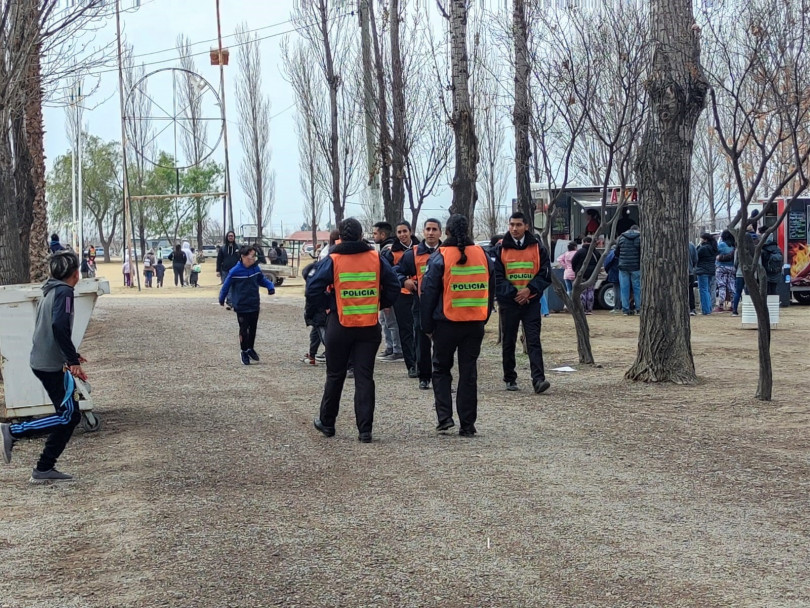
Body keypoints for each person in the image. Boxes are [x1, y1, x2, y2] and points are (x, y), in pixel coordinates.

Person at [306, 217, 400, 443]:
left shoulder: (333, 259)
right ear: (361, 236)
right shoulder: (375, 258)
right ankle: (365, 430)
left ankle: (327, 423)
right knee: (364, 377)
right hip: (368, 326)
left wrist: (325, 307)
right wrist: (380, 303)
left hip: (339, 323)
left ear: (341, 237)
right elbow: (394, 285)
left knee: (335, 375)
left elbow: (313, 287)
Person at [1, 251, 87, 483]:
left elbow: (52, 330)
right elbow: (59, 327)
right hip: (51, 365)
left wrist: (72, 355)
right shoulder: (65, 292)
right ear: (76, 273)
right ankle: (13, 432)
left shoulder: (50, 290)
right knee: (68, 415)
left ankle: (44, 468)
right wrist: (72, 361)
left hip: (45, 361)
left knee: (70, 416)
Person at [421, 214, 494, 436]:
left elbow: (429, 293)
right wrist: (484, 317)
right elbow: (491, 290)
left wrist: (427, 326)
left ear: (447, 232)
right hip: (474, 323)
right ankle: (468, 425)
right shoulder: (483, 254)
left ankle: (444, 418)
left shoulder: (440, 256)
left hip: (446, 324)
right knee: (468, 373)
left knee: (441, 369)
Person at [493, 211, 552, 394]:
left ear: (526, 226)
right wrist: (514, 293)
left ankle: (538, 379)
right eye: (511, 225)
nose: (514, 228)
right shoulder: (500, 248)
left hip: (531, 302)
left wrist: (530, 290)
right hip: (509, 303)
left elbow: (545, 274)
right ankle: (510, 378)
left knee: (533, 340)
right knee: (509, 341)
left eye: (518, 225)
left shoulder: (537, 247)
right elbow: (497, 277)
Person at [394, 218, 442, 390]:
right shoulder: (413, 253)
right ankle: (424, 376)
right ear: (423, 231)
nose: (430, 232)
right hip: (420, 305)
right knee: (421, 341)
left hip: (442, 305)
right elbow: (396, 272)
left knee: (442, 343)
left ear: (440, 232)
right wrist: (404, 281)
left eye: (434, 229)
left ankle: (441, 376)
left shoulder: (446, 252)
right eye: (428, 229)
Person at [218, 245, 276, 365]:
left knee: (253, 328)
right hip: (241, 304)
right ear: (243, 257)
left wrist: (270, 286)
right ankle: (244, 351)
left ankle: (250, 348)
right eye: (252, 256)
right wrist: (221, 298)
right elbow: (226, 286)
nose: (254, 258)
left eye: (254, 256)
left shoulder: (256, 269)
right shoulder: (235, 271)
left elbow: (262, 279)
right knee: (244, 329)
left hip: (254, 303)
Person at [384, 220, 420, 377]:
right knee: (405, 331)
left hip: (420, 294)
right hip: (401, 295)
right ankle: (411, 365)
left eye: (405, 231)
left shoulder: (421, 248)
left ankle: (423, 362)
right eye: (399, 232)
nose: (402, 235)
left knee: (421, 329)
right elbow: (388, 274)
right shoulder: (390, 252)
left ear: (410, 231)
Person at [373, 221, 403, 362]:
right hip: (386, 291)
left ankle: (397, 350)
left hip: (389, 291)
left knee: (391, 322)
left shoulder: (388, 250)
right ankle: (390, 347)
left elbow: (385, 273)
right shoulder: (386, 248)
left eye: (375, 233)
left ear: (383, 234)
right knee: (384, 320)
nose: (373, 237)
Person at [301, 262, 327, 365]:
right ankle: (312, 355)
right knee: (315, 335)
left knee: (326, 338)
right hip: (318, 316)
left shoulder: (314, 288)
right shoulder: (320, 280)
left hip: (320, 316)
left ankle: (336, 359)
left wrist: (308, 315)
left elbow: (311, 304)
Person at [616, 224, 641, 315]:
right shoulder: (640, 238)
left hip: (623, 266)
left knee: (624, 288)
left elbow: (616, 252)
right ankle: (639, 308)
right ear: (638, 230)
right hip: (636, 266)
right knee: (637, 287)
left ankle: (625, 309)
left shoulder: (621, 238)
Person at [571, 236, 599, 315]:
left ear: (584, 242)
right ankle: (589, 309)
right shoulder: (596, 253)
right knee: (590, 291)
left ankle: (582, 309)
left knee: (582, 292)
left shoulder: (580, 252)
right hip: (592, 275)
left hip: (581, 275)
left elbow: (573, 262)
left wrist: (576, 271)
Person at [695, 232, 718, 315]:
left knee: (703, 290)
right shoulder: (713, 248)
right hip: (711, 270)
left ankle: (706, 310)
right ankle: (709, 308)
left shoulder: (703, 248)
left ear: (705, 239)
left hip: (702, 270)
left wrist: (698, 245)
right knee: (707, 289)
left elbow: (696, 254)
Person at [217, 231, 241, 308]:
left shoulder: (238, 247)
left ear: (234, 237)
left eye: (232, 236)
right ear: (227, 237)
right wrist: (218, 270)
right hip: (225, 270)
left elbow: (242, 258)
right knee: (227, 285)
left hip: (236, 270)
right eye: (229, 236)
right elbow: (219, 259)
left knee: (235, 286)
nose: (230, 237)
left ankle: (233, 301)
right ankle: (229, 301)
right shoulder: (222, 248)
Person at [715, 230, 736, 312]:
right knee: (732, 286)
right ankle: (734, 304)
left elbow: (716, 253)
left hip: (721, 267)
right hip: (732, 267)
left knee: (721, 285)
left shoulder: (721, 244)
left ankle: (720, 305)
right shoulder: (733, 245)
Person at [758, 226, 783, 295]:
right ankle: (774, 304)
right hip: (776, 274)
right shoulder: (777, 249)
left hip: (766, 274)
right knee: (774, 291)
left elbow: (760, 264)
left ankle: (767, 305)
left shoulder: (763, 250)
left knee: (766, 291)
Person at [604, 244, 621, 314]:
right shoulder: (624, 252)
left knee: (616, 290)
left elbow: (607, 263)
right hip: (624, 272)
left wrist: (608, 271)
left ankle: (616, 307)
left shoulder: (612, 253)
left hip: (614, 273)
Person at [688, 240, 698, 316]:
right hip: (689, 271)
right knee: (690, 290)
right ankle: (692, 308)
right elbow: (695, 259)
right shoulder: (691, 245)